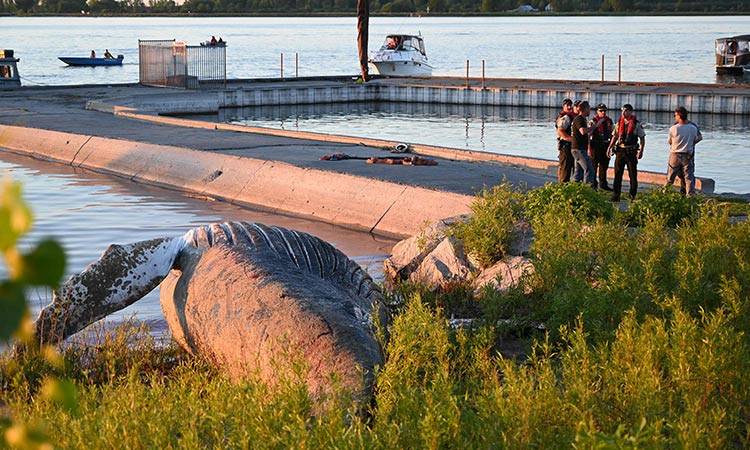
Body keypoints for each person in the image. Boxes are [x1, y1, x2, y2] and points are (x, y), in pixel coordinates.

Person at [607, 104, 646, 202]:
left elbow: (642, 138)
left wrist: (641, 151)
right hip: (620, 151)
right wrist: (609, 147)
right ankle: (616, 195)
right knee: (617, 174)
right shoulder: (619, 123)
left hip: (631, 152)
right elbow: (615, 136)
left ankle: (632, 195)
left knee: (632, 174)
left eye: (626, 111)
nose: (624, 113)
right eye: (622, 111)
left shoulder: (637, 124)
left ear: (630, 112)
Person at [666, 106, 702, 196]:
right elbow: (699, 138)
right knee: (688, 177)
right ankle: (690, 195)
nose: (674, 117)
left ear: (678, 115)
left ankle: (665, 193)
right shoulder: (693, 128)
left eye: (675, 115)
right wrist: (691, 143)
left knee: (671, 176)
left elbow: (670, 142)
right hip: (688, 154)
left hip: (675, 154)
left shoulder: (673, 128)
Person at [570, 101, 601, 189]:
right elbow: (583, 131)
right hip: (578, 149)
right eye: (589, 109)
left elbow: (585, 133)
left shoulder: (582, 119)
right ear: (585, 109)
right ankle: (587, 190)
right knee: (589, 170)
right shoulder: (579, 119)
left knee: (578, 172)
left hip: (578, 149)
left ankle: (573, 190)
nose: (590, 111)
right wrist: (595, 126)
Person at [588, 103, 614, 191]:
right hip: (595, 145)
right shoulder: (593, 121)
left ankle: (603, 184)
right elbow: (589, 134)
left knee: (604, 166)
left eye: (604, 111)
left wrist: (611, 146)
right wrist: (588, 148)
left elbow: (612, 133)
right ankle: (593, 185)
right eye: (601, 111)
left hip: (606, 145)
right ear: (597, 111)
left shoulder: (609, 121)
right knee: (594, 166)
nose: (603, 112)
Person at [555, 98, 575, 182]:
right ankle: (563, 188)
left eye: (571, 105)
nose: (570, 107)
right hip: (565, 146)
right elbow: (560, 131)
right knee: (565, 169)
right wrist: (572, 139)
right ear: (563, 106)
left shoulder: (569, 116)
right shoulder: (565, 118)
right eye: (568, 105)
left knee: (568, 167)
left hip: (568, 145)